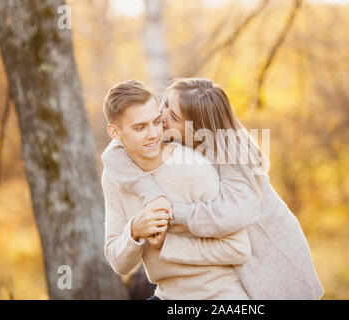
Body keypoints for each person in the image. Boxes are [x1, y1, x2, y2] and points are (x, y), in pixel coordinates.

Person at [102, 78, 324, 299]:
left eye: (174, 117)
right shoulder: (170, 143)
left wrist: (169, 213)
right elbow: (113, 154)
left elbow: (232, 215)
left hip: (273, 257)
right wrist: (153, 197)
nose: (162, 118)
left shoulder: (232, 157)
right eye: (166, 104)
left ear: (197, 130)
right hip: (206, 279)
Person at [102, 80, 252, 300]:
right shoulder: (115, 176)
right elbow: (119, 263)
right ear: (115, 132)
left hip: (219, 295)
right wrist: (134, 230)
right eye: (140, 127)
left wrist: (168, 244)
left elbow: (238, 248)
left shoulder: (194, 168)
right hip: (167, 295)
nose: (153, 134)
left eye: (156, 121)